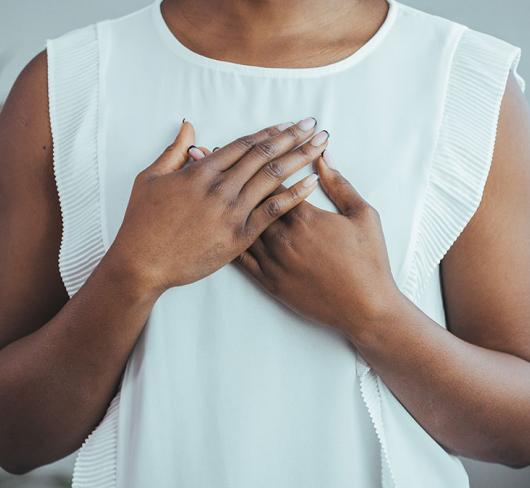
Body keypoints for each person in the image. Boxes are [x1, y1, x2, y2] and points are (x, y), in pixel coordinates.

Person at [0, 0, 529, 486]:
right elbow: (14, 440)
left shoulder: (462, 78)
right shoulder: (65, 82)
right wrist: (134, 270)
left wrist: (374, 312)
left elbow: (518, 433)